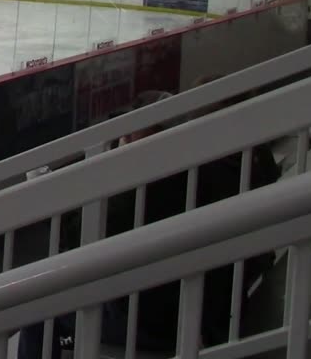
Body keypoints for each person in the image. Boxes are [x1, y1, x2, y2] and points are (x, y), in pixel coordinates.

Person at [17, 88, 281, 358]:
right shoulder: (212, 170)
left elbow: (77, 237)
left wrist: (54, 195)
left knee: (37, 309)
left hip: (156, 322)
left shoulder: (147, 191)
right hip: (204, 307)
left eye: (130, 132)